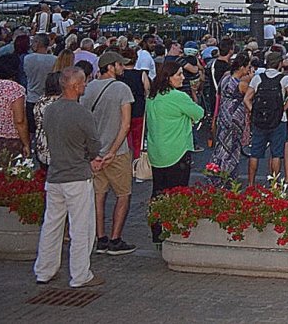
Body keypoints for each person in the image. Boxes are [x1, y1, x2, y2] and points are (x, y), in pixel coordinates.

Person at [34, 67, 106, 288]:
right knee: (81, 228)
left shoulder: (50, 110)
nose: (85, 85)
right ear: (75, 86)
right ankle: (80, 274)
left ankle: (44, 270)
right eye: (83, 83)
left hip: (55, 174)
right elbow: (94, 144)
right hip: (77, 175)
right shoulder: (81, 113)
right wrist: (94, 157)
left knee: (52, 225)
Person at [82, 52, 136, 256]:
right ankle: (115, 239)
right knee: (123, 195)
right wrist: (113, 151)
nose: (123, 68)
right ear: (111, 67)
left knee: (98, 196)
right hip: (117, 151)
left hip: (94, 152)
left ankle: (100, 237)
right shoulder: (122, 88)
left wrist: (91, 152)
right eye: (120, 65)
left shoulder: (87, 88)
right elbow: (126, 124)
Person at [145, 62, 204, 243]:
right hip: (177, 150)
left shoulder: (152, 97)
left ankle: (157, 230)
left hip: (157, 152)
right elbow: (199, 113)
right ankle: (176, 230)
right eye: (179, 74)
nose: (182, 77)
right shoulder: (178, 97)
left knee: (158, 192)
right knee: (178, 194)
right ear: (168, 77)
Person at [244, 54, 288, 186]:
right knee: (276, 153)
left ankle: (251, 183)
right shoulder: (284, 79)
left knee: (255, 153)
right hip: (278, 120)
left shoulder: (257, 78)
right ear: (280, 64)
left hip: (260, 119)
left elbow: (246, 98)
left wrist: (254, 111)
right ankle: (274, 184)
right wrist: (282, 109)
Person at [210, 54, 252, 180]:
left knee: (221, 147)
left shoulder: (225, 79)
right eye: (247, 67)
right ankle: (228, 176)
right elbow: (250, 97)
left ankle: (215, 173)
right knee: (233, 149)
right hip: (235, 119)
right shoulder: (241, 84)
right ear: (242, 67)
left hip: (223, 116)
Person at [119, 52, 149, 166]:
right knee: (138, 140)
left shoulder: (119, 76)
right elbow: (147, 90)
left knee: (125, 139)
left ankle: (125, 164)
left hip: (122, 111)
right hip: (139, 110)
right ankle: (137, 165)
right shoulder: (141, 74)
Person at [23, 34, 55, 131]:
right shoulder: (54, 60)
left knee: (32, 129)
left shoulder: (28, 58)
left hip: (32, 98)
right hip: (48, 99)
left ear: (38, 43)